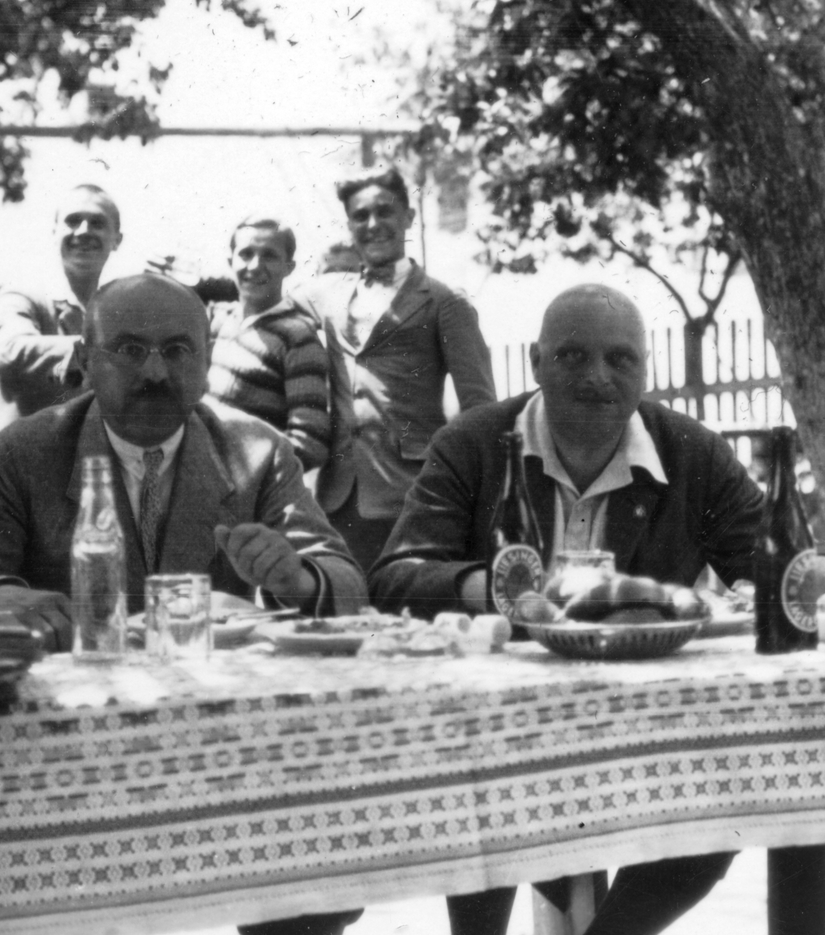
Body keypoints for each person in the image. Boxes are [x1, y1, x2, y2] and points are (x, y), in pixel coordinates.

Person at [0, 274, 367, 935]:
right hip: (62, 771)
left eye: (178, 350)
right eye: (129, 349)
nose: (155, 371)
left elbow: (345, 581)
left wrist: (297, 579)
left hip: (223, 759)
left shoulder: (257, 449)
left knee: (314, 881)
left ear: (207, 364)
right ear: (85, 361)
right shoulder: (23, 451)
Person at [372, 284, 765, 935]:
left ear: (645, 368)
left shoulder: (691, 450)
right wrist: (499, 587)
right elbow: (393, 578)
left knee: (729, 791)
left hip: (641, 728)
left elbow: (775, 570)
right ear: (536, 361)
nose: (598, 377)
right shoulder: (472, 443)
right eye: (573, 355)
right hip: (496, 735)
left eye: (620, 359)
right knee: (480, 789)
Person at [289, 166, 497, 571]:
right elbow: (269, 308)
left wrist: (465, 498)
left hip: (413, 497)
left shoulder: (443, 301)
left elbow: (481, 411)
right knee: (347, 615)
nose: (373, 224)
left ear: (408, 218)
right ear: (349, 225)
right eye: (360, 216)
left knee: (408, 619)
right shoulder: (328, 294)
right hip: (338, 497)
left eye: (385, 212)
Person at [207, 218, 332, 472]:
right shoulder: (223, 321)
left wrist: (247, 481)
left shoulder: (298, 337)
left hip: (246, 496)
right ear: (230, 260)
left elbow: (311, 443)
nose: (255, 266)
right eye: (245, 254)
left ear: (289, 267)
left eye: (269, 256)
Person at [0, 184, 122, 423]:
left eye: (97, 223)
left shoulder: (118, 312)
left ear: (117, 240)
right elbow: (7, 354)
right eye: (72, 221)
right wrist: (96, 352)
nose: (83, 231)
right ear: (54, 232)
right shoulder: (22, 295)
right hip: (27, 456)